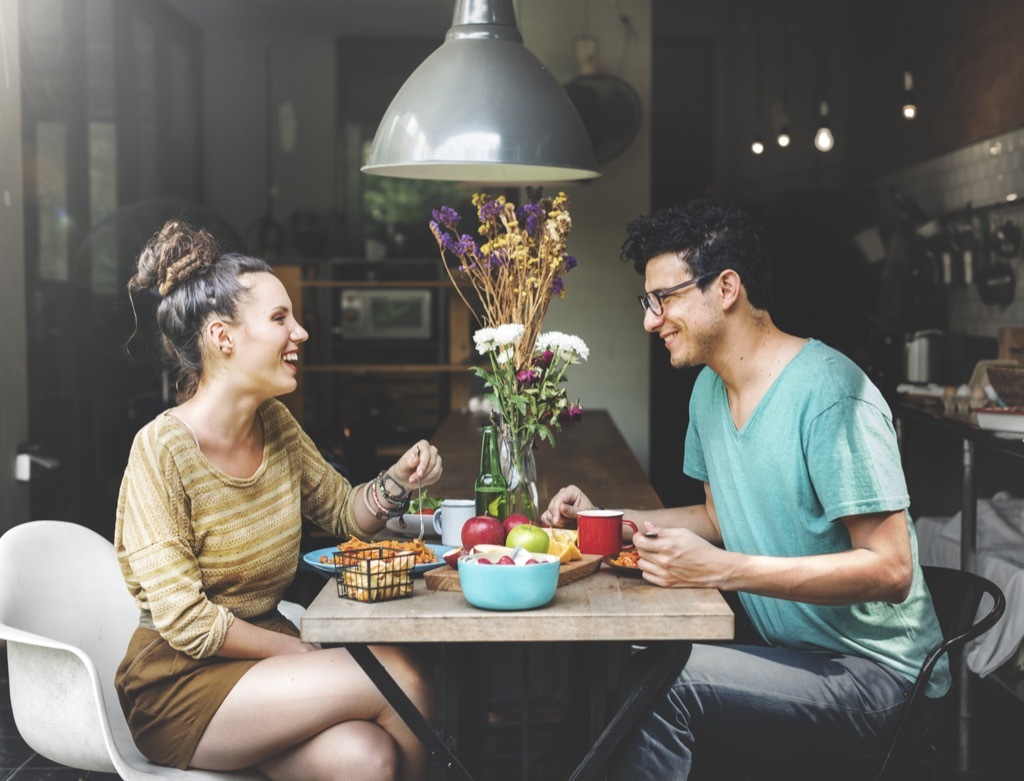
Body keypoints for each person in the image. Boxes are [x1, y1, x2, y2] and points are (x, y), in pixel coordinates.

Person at [541, 198, 949, 778]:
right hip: (791, 658)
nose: (650, 320)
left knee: (664, 684)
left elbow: (890, 570)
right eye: (647, 301)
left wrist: (718, 569)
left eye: (664, 299)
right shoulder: (709, 392)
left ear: (726, 287)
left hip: (876, 679)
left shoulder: (832, 395)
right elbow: (720, 516)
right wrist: (608, 518)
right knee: (623, 668)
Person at [114, 220, 442, 781]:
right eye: (279, 318)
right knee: (399, 674)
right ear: (223, 338)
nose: (301, 332)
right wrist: (302, 653)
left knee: (370, 759)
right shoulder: (161, 451)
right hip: (180, 682)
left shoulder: (275, 424)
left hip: (268, 667)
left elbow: (345, 514)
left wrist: (395, 482)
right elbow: (187, 622)